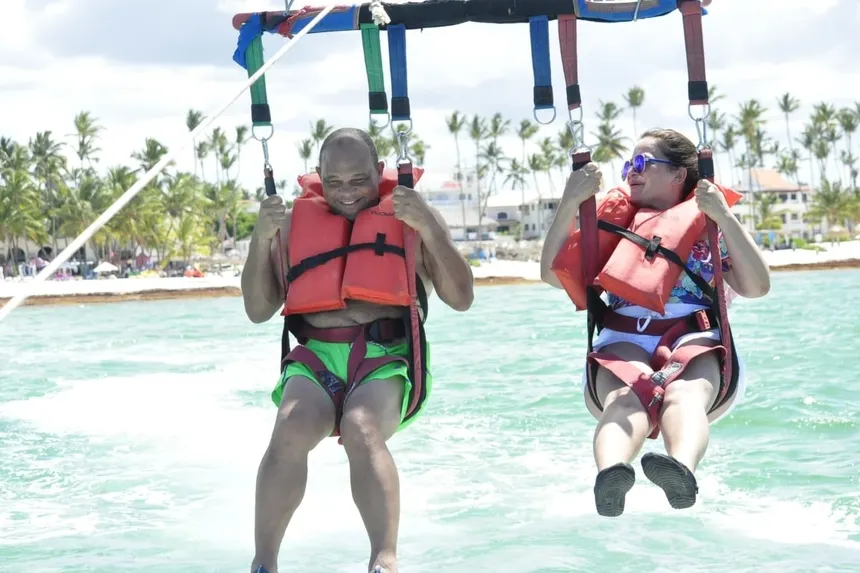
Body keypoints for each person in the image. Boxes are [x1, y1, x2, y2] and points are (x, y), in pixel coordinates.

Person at [241, 127, 474, 573]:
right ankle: (264, 563)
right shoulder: (291, 225)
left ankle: (383, 560)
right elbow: (258, 310)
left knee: (361, 426)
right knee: (288, 432)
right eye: (334, 182)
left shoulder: (410, 217)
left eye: (359, 180)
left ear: (379, 172)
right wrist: (260, 238)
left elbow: (461, 298)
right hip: (316, 357)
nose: (347, 193)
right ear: (319, 177)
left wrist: (426, 224)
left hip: (383, 356)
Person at [540, 128, 770, 517]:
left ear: (680, 175)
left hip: (693, 335)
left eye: (643, 163)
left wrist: (724, 216)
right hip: (622, 334)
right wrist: (570, 201)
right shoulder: (613, 223)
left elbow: (757, 286)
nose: (632, 171)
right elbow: (551, 273)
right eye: (630, 163)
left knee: (684, 396)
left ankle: (679, 469)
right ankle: (612, 474)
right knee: (623, 399)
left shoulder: (708, 223)